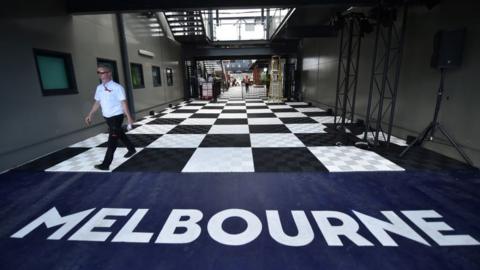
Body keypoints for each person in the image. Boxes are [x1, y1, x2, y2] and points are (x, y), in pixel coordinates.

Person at [85, 65, 136, 170]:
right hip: (107, 117)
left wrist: (129, 117)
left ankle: (106, 164)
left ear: (109, 73)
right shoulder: (99, 88)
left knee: (112, 141)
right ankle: (131, 149)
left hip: (116, 117)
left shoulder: (117, 87)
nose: (100, 75)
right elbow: (97, 102)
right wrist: (90, 114)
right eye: (98, 73)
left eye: (102, 72)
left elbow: (123, 103)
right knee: (119, 133)